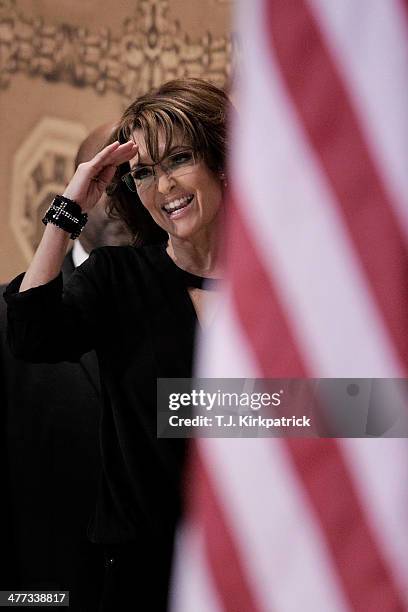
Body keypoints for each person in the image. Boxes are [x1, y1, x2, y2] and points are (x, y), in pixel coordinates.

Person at [4, 78, 229, 611]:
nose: (163, 185)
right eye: (144, 172)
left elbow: (344, 412)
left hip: (251, 559)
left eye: (178, 158)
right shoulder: (118, 278)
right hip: (141, 575)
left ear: (223, 162)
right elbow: (31, 335)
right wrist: (70, 205)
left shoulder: (277, 287)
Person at [0, 124, 133, 610]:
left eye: (139, 178)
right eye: (110, 180)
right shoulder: (9, 318)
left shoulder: (197, 311)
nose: (123, 199)